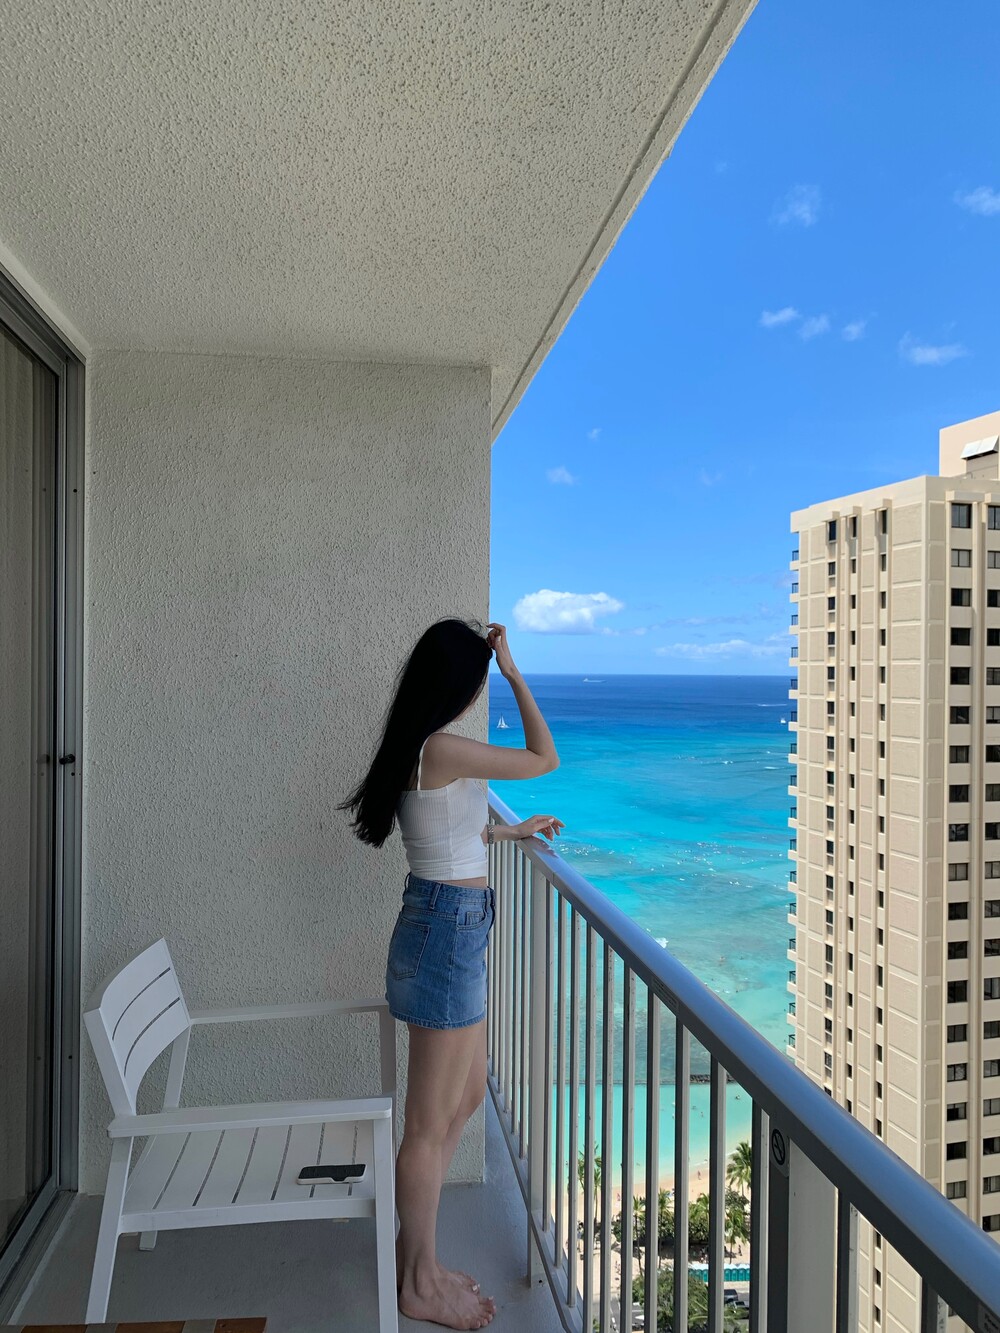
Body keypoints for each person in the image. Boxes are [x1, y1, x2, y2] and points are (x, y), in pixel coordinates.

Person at [340, 618, 563, 1330]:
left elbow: (444, 828)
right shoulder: (438, 746)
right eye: (478, 681)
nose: (479, 692)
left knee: (466, 1094)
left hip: (451, 927)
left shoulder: (428, 747)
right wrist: (515, 672)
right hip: (445, 933)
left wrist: (507, 831)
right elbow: (544, 757)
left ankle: (417, 1247)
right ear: (457, 684)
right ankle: (418, 1279)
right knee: (429, 1123)